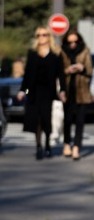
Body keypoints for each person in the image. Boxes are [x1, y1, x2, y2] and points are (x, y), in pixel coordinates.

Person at [17, 26, 66, 160]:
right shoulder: (32, 53)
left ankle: (47, 145)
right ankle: (39, 146)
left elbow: (60, 74)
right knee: (36, 119)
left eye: (44, 35)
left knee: (46, 119)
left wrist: (62, 91)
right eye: (38, 35)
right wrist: (23, 91)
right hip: (34, 91)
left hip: (48, 92)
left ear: (49, 36)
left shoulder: (56, 54)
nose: (41, 37)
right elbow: (27, 75)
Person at [61, 30, 93, 160]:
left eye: (75, 41)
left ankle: (76, 147)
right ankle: (67, 143)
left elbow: (90, 71)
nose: (73, 44)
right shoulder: (62, 52)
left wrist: (82, 68)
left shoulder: (85, 51)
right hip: (68, 91)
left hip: (82, 90)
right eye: (70, 42)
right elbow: (58, 72)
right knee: (67, 120)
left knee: (80, 121)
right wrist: (67, 70)